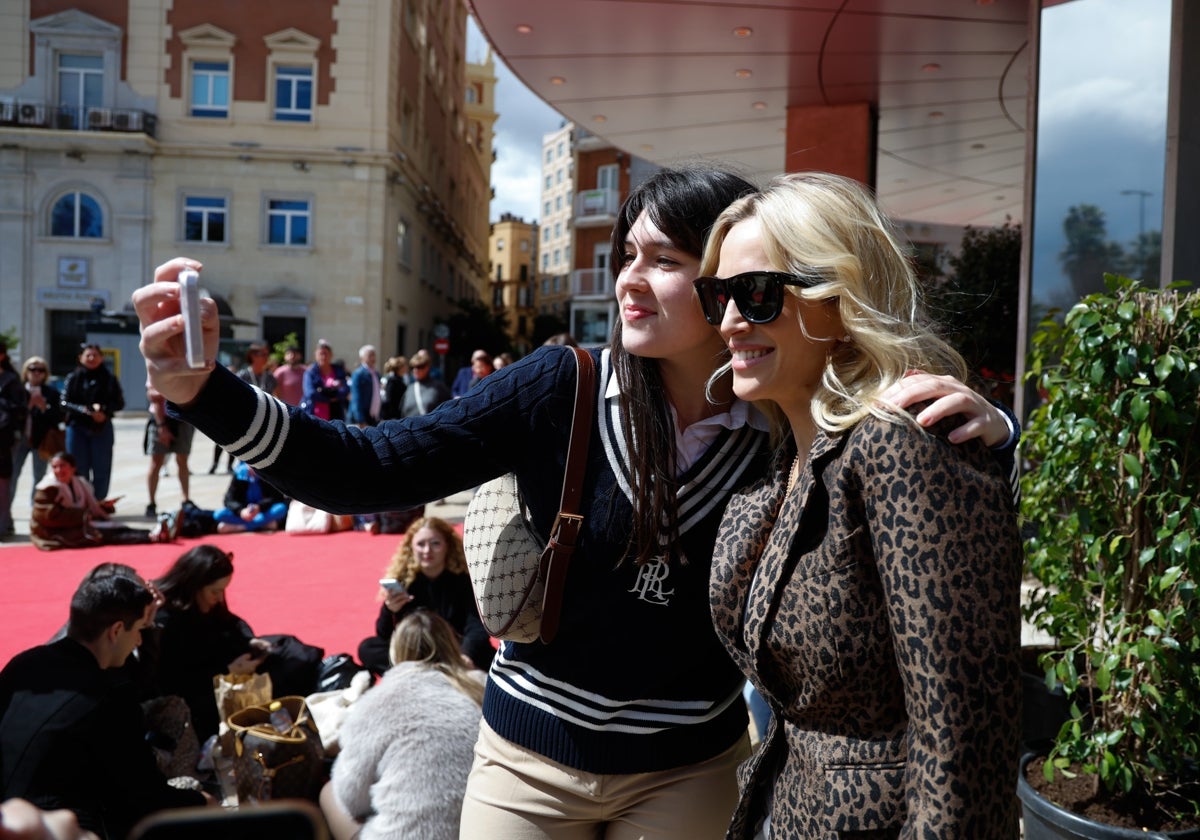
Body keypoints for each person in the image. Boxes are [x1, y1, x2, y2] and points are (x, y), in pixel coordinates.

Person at [135, 166, 1014, 839]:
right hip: (529, 759)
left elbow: (899, 484)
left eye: (666, 263)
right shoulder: (562, 385)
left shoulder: (778, 421)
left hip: (690, 771)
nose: (629, 280)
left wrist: (988, 438)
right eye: (628, 254)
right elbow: (368, 469)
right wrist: (207, 390)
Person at [699, 172, 1023, 838]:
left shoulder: (902, 444)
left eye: (756, 294)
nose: (729, 321)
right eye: (716, 295)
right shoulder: (786, 454)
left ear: (839, 298)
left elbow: (963, 739)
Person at [0, 568, 211, 839]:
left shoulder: (25, 663)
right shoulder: (107, 695)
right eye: (138, 631)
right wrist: (203, 802)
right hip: (59, 826)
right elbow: (144, 797)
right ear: (116, 630)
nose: (138, 640)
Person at [321, 611, 484, 840]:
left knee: (329, 793)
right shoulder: (482, 688)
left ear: (395, 651)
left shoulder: (377, 701)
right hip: (483, 828)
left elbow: (352, 798)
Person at [150, 545, 274, 742]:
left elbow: (230, 622)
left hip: (214, 666)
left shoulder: (203, 602)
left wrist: (250, 640)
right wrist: (228, 670)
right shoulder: (168, 618)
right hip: (192, 693)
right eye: (214, 592)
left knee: (282, 650)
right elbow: (177, 678)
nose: (218, 598)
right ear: (195, 585)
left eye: (222, 591)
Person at [357, 517, 493, 676]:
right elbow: (383, 635)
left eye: (435, 544)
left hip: (454, 650)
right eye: (421, 544)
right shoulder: (405, 582)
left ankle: (421, 674)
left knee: (489, 656)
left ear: (447, 546)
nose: (427, 551)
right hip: (416, 652)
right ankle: (431, 673)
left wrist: (466, 654)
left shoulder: (463, 580)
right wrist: (389, 610)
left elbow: (476, 628)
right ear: (411, 548)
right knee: (368, 648)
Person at [31, 453, 162, 550]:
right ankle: (151, 536)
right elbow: (48, 517)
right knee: (102, 534)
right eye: (55, 467)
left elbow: (90, 507)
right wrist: (85, 514)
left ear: (72, 468)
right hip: (54, 531)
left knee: (115, 527)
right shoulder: (47, 488)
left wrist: (103, 507)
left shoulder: (79, 483)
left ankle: (153, 532)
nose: (58, 471)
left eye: (62, 466)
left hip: (78, 522)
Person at [60, 344, 124, 500]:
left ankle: (98, 501)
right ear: (80, 358)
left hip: (101, 428)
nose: (91, 358)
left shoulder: (109, 378)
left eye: (95, 355)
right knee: (78, 467)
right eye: (88, 355)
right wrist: (84, 410)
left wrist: (104, 411)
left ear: (101, 358)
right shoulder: (73, 378)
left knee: (101, 467)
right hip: (77, 428)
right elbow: (63, 403)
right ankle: (82, 501)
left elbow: (119, 403)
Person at [9, 357, 62, 512]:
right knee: (12, 476)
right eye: (33, 369)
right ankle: (6, 515)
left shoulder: (52, 393)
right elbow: (8, 415)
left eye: (41, 370)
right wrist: (27, 407)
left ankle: (36, 512)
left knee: (40, 477)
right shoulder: (17, 390)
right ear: (26, 371)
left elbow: (59, 418)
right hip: (19, 439)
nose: (37, 373)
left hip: (42, 440)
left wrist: (44, 407)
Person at [144, 386, 192, 519]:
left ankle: (186, 499)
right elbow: (154, 396)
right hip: (160, 419)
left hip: (182, 419)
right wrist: (161, 427)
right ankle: (151, 503)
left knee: (183, 461)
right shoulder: (157, 366)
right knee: (156, 462)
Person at [212, 461, 289, 533]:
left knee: (281, 508)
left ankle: (242, 527)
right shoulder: (239, 474)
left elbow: (276, 497)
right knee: (218, 514)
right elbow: (228, 500)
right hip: (245, 513)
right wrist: (241, 511)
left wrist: (259, 507)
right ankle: (261, 525)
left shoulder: (266, 474)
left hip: (262, 511)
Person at [0, 343, 28, 539]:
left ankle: (2, 526)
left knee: (2, 485)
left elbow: (19, 410)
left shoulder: (11, 381)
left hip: (3, 440)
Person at [302, 340, 349, 421]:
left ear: (331, 355)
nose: (323, 357)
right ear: (316, 355)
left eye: (326, 354)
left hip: (335, 414)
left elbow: (345, 389)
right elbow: (310, 393)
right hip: (314, 415)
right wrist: (329, 399)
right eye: (321, 354)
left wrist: (329, 393)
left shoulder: (338, 371)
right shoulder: (310, 372)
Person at [399, 349, 450, 417]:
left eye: (420, 366)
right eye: (413, 367)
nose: (416, 370)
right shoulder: (409, 389)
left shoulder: (439, 387)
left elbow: (448, 411)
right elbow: (402, 412)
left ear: (428, 367)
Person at [346, 345, 381, 426]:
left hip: (373, 417)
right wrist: (360, 419)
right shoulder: (358, 374)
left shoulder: (376, 374)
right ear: (362, 357)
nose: (373, 358)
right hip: (361, 419)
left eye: (374, 355)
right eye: (370, 355)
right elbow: (355, 397)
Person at [378, 356, 407, 421]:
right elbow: (389, 399)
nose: (406, 368)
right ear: (399, 368)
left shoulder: (400, 379)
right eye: (404, 366)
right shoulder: (392, 381)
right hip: (392, 416)